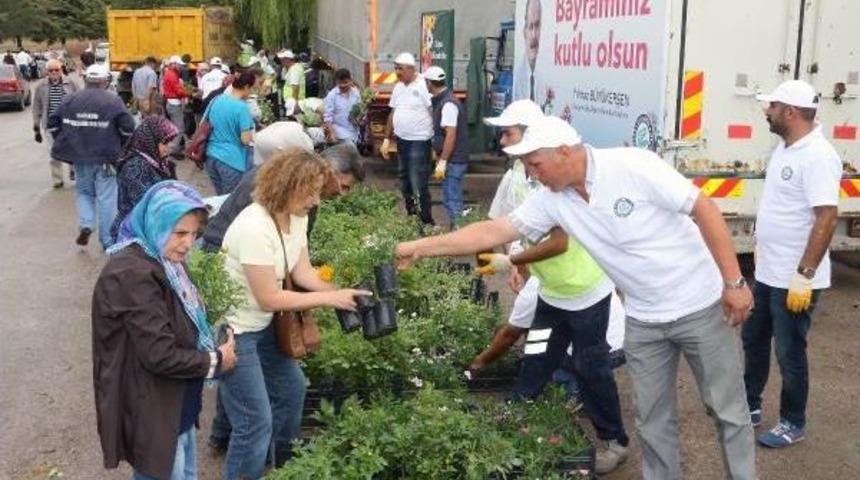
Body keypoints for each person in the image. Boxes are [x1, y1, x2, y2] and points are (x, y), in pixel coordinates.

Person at [396, 114, 758, 480]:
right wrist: (421, 247)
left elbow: (704, 207)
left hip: (699, 304)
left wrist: (734, 282)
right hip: (644, 318)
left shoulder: (632, 165)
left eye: (535, 164)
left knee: (726, 411)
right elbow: (493, 229)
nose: (533, 174)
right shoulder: (553, 199)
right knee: (652, 420)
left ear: (565, 152)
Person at [469, 99, 629, 474]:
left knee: (592, 369)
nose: (502, 139)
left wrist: (512, 260)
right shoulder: (521, 174)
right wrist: (513, 256)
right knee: (538, 352)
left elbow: (560, 243)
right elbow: (507, 225)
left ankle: (614, 440)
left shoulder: (558, 180)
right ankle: (520, 404)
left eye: (509, 132)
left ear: (531, 133)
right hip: (553, 292)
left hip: (586, 294)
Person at [218, 150, 371, 479]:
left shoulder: (296, 217)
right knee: (254, 421)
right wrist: (331, 301)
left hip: (263, 325)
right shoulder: (254, 226)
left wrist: (339, 292)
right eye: (311, 191)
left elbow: (302, 272)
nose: (316, 200)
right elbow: (269, 297)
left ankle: (284, 465)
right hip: (236, 332)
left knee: (293, 388)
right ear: (288, 186)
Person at [92, 180, 237, 480]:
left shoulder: (162, 259)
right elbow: (160, 355)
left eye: (194, 234)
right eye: (180, 232)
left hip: (173, 406)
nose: (188, 243)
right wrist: (216, 360)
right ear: (155, 221)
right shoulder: (133, 273)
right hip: (153, 408)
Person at [743, 80, 842, 448]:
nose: (765, 111)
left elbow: (827, 218)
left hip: (795, 278)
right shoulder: (786, 148)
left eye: (771, 106)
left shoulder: (818, 156)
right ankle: (749, 405)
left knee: (789, 351)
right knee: (754, 339)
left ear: (789, 112)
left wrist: (804, 275)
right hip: (770, 271)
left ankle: (792, 421)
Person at [48, 64, 135, 250]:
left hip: (80, 158)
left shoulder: (70, 99)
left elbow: (53, 123)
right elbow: (128, 127)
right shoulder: (113, 100)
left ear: (87, 80)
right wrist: (121, 145)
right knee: (107, 198)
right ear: (105, 81)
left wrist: (67, 142)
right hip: (106, 159)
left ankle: (87, 224)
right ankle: (108, 241)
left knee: (84, 192)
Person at [382, 52, 435, 227]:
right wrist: (386, 138)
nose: (397, 72)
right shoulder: (398, 87)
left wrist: (436, 140)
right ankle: (412, 216)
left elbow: (433, 111)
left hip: (419, 141)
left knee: (417, 181)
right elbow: (392, 113)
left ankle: (426, 221)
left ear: (412, 69)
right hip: (402, 141)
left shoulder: (422, 86)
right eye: (395, 68)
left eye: (401, 68)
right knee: (404, 180)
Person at [109, 116, 181, 242]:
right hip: (134, 233)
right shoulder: (135, 167)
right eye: (164, 143)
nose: (168, 148)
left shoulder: (159, 161)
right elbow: (146, 203)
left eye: (169, 143)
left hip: (151, 228)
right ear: (150, 141)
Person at [425, 66, 469, 229]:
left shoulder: (448, 104)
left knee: (452, 199)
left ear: (429, 83)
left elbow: (450, 134)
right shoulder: (445, 101)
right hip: (453, 159)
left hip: (453, 160)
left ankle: (458, 234)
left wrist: (443, 160)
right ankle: (457, 231)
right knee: (450, 197)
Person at [205, 71, 256, 195]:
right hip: (231, 160)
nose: (251, 93)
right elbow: (245, 140)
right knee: (231, 201)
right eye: (251, 89)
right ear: (246, 87)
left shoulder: (217, 99)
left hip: (211, 156)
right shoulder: (242, 107)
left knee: (220, 198)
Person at [32, 59, 78, 189]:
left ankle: (73, 170)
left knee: (72, 150)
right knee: (53, 153)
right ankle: (57, 179)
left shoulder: (71, 83)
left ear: (61, 69)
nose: (54, 72)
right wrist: (36, 128)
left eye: (56, 70)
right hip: (50, 126)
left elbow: (80, 101)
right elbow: (37, 107)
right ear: (47, 72)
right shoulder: (41, 86)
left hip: (69, 124)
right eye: (50, 70)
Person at [162, 55, 191, 156]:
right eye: (178, 65)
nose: (180, 67)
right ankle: (170, 150)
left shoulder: (170, 73)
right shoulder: (172, 75)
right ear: (173, 64)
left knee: (175, 128)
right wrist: (190, 93)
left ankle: (174, 149)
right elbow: (178, 91)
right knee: (179, 129)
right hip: (174, 104)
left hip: (171, 103)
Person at [323, 68, 360, 144]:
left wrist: (358, 119)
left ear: (350, 80)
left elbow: (360, 111)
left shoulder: (356, 93)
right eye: (340, 83)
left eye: (345, 82)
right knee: (350, 146)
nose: (343, 86)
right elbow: (328, 117)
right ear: (336, 82)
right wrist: (332, 133)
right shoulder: (332, 96)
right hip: (340, 131)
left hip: (354, 131)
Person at [514, 0, 542, 102]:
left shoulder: (544, 72)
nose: (534, 35)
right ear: (524, 32)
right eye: (530, 27)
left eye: (537, 25)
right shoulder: (519, 74)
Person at [278, 49, 305, 117]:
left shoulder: (294, 70)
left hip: (293, 103)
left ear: (288, 60)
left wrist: (294, 104)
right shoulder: (293, 68)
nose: (281, 61)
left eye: (282, 59)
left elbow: (295, 87)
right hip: (293, 102)